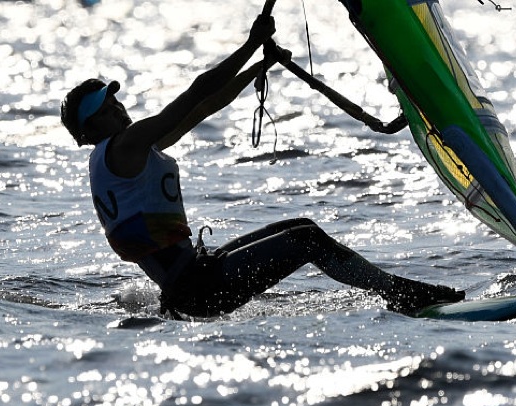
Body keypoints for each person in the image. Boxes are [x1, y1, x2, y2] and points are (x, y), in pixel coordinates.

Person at [60, 14, 464, 318]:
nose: (118, 108)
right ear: (88, 129)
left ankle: (399, 293)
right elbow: (196, 91)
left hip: (192, 281)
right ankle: (402, 296)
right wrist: (251, 43)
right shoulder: (127, 144)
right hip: (197, 290)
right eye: (106, 109)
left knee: (300, 227)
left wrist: (260, 66)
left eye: (115, 100)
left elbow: (202, 108)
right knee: (306, 240)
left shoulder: (119, 156)